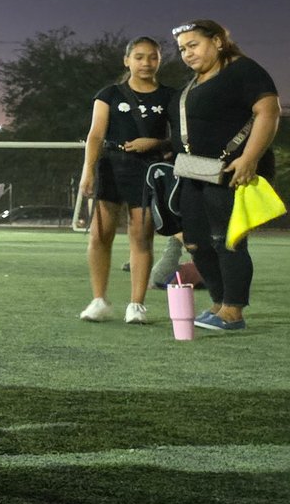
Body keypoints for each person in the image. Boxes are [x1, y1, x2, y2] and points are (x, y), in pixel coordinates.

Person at [170, 20, 279, 331]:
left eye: (193, 45)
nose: (187, 54)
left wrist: (249, 158)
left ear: (217, 41)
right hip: (194, 172)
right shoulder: (194, 82)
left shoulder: (243, 69)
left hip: (230, 171)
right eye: (182, 50)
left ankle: (233, 311)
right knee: (196, 242)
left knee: (226, 240)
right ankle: (218, 303)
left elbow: (268, 111)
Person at [78, 37, 174, 323]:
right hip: (110, 165)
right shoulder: (109, 93)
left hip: (146, 168)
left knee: (141, 236)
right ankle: (99, 301)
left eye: (153, 57)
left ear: (159, 61)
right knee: (100, 235)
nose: (146, 63)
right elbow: (96, 135)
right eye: (140, 57)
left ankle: (137, 304)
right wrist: (88, 171)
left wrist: (154, 142)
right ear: (127, 60)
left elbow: (178, 139)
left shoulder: (170, 95)